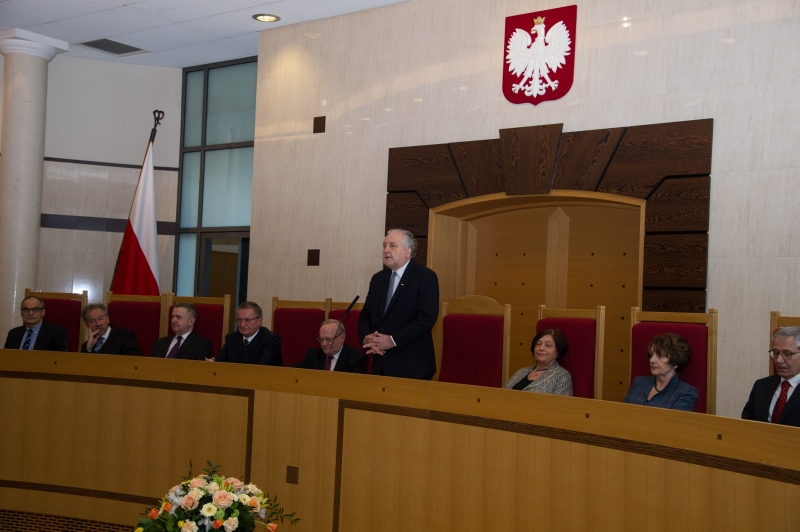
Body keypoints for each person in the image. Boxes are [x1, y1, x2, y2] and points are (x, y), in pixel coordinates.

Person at [358, 229, 439, 380]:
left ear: (408, 252)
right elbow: (365, 315)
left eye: (392, 245)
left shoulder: (425, 277)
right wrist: (367, 338)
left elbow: (426, 318)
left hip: (412, 364)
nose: (386, 250)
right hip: (380, 362)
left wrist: (392, 340)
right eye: (384, 245)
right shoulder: (378, 279)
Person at [623, 333, 697, 411]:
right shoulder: (639, 383)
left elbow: (675, 422)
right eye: (651, 354)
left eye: (660, 356)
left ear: (675, 363)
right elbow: (622, 412)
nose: (651, 360)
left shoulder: (686, 392)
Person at [742, 326, 800, 426]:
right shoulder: (761, 386)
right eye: (776, 353)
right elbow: (748, 423)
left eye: (787, 354)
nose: (778, 360)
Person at [503, 329, 573, 395]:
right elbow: (502, 394)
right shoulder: (521, 372)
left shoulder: (562, 376)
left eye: (548, 345)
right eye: (538, 344)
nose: (541, 348)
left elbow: (562, 406)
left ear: (558, 351)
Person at [212, 301, 282, 365]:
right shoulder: (231, 338)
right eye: (239, 320)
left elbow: (261, 369)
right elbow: (218, 362)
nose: (242, 324)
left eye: (247, 320)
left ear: (259, 320)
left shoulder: (270, 340)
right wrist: (212, 364)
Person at [293, 319, 369, 373]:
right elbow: (293, 371)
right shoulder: (313, 354)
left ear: (342, 338)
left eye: (329, 339)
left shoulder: (357, 359)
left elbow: (355, 388)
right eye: (321, 339)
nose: (324, 344)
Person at [3, 296, 68, 352]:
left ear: (43, 312)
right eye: (26, 309)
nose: (30, 313)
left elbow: (60, 361)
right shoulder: (13, 334)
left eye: (35, 309)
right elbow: (5, 358)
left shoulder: (56, 333)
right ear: (21, 313)